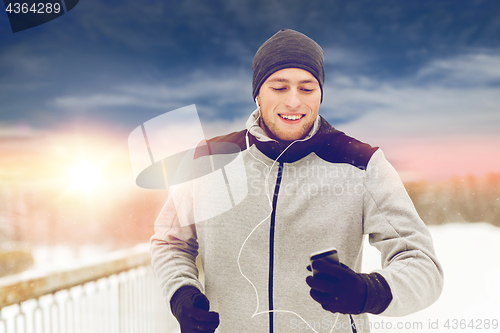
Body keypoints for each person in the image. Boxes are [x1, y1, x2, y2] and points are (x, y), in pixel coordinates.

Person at [150, 29, 443, 333]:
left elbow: (422, 264)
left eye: (307, 88)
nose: (293, 102)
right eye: (279, 87)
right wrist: (181, 295)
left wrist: (371, 291)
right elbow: (170, 241)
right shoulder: (207, 160)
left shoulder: (362, 164)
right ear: (257, 93)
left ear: (320, 94)